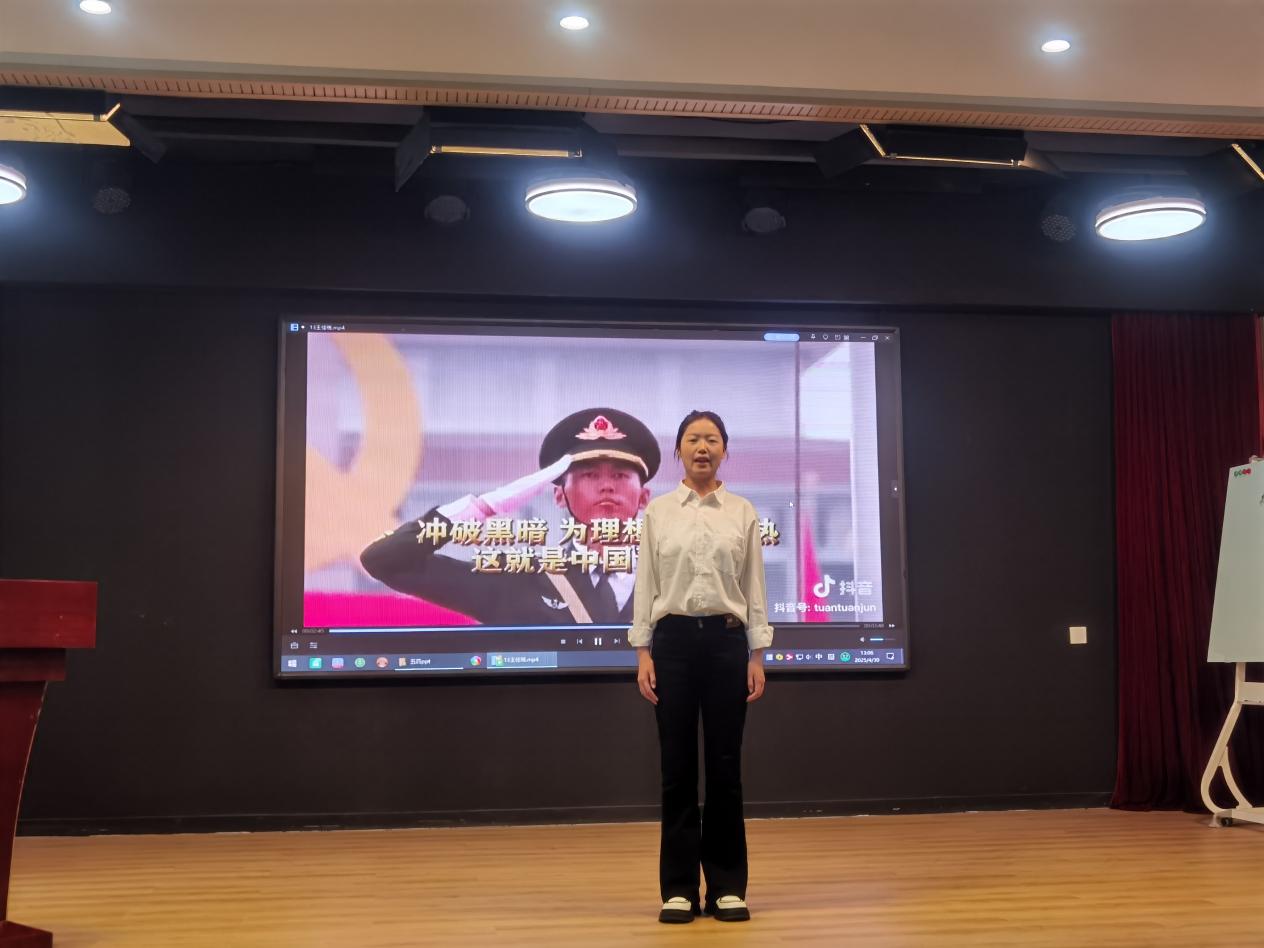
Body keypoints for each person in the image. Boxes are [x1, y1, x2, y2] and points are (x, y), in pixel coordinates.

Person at [629, 409, 772, 924]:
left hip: (727, 644)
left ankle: (728, 887)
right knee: (677, 770)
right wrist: (643, 651)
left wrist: (757, 654)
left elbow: (754, 587)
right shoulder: (658, 512)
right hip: (671, 646)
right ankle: (679, 889)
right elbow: (647, 584)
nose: (703, 447)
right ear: (679, 451)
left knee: (726, 769)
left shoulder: (742, 511)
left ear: (725, 450)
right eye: (693, 439)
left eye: (712, 439)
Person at [360, 407, 660, 626]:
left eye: (620, 475)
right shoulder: (521, 577)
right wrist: (483, 507)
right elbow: (383, 561)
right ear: (559, 496)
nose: (607, 486)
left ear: (644, 497)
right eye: (590, 475)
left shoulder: (673, 576)